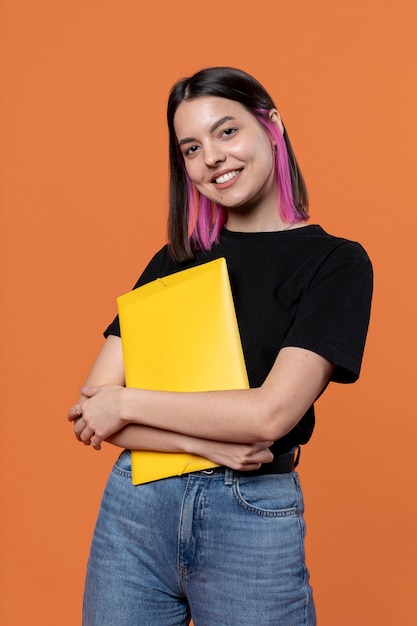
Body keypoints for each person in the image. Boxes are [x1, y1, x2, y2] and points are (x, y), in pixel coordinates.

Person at [68, 67, 373, 626]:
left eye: (226, 131)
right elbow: (93, 410)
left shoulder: (336, 264)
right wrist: (209, 446)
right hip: (137, 512)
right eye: (191, 147)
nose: (211, 157)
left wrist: (129, 403)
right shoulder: (175, 261)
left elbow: (269, 414)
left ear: (271, 126)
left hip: (250, 519)